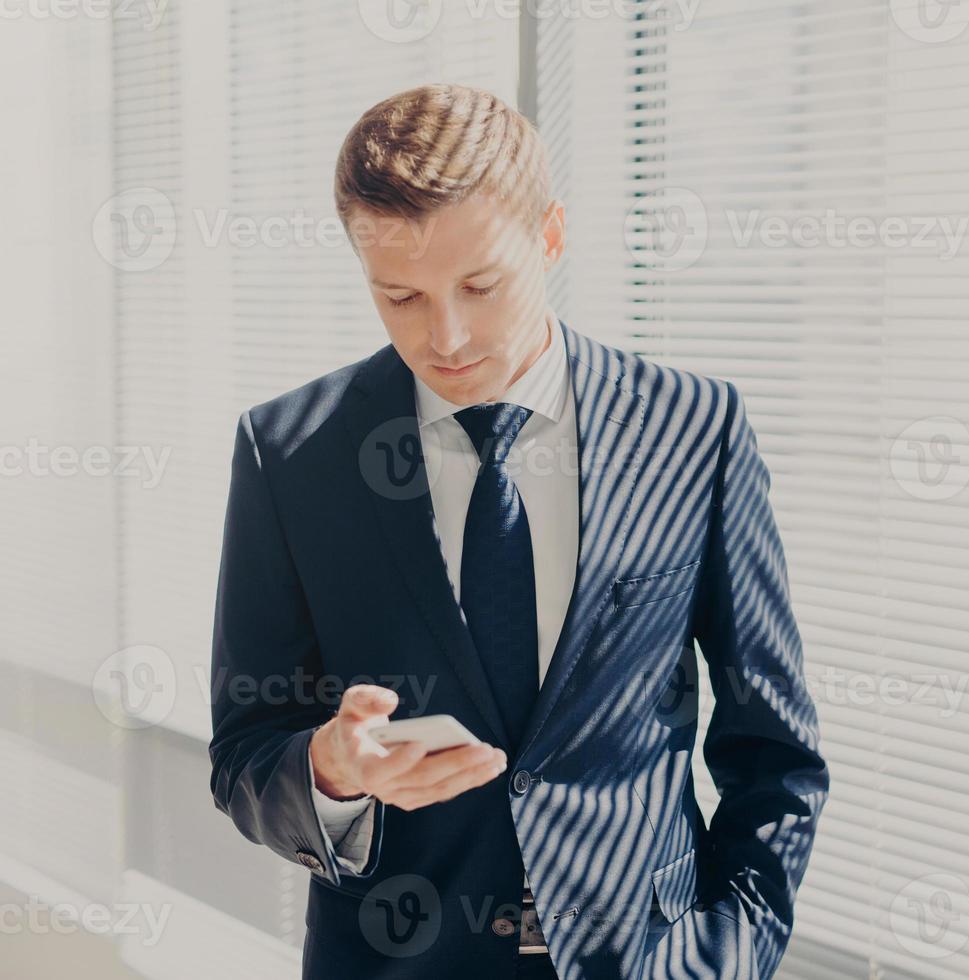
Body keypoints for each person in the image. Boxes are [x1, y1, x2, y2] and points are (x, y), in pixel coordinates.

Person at [206, 83, 828, 980]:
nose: (447, 336)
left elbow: (776, 755)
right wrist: (333, 770)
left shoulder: (695, 428)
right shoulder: (289, 451)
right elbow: (244, 755)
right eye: (401, 297)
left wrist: (725, 958)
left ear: (551, 234)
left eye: (480, 285)